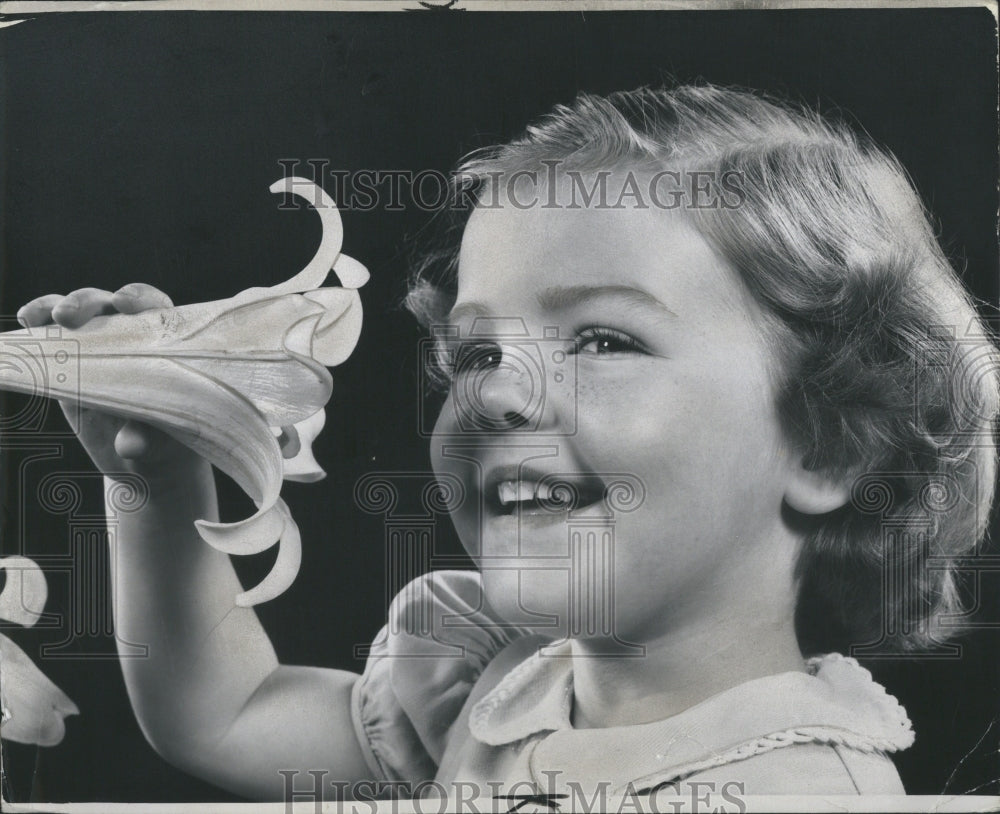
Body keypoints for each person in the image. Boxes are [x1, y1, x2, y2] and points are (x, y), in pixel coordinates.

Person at [16, 83, 999, 801]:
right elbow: (221, 713)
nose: (492, 393)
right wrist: (162, 474)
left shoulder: (801, 791)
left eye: (604, 339)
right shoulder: (491, 685)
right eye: (476, 347)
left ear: (829, 447)